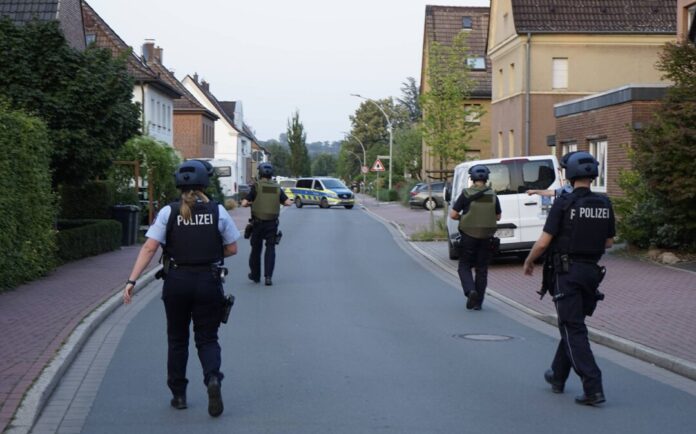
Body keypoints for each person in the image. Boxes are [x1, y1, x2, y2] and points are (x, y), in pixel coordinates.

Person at [122, 159, 241, 417]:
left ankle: (178, 395)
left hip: (176, 282)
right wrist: (209, 254)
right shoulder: (218, 211)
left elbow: (150, 247)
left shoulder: (168, 212)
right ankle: (213, 379)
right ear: (204, 183)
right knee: (207, 338)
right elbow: (232, 248)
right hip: (209, 281)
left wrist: (131, 281)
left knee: (177, 340)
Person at [523, 151, 615, 406]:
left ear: (570, 175)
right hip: (592, 274)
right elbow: (609, 241)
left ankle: (593, 386)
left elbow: (543, 242)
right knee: (572, 323)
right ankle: (557, 375)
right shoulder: (605, 203)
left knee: (573, 328)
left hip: (567, 273)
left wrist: (530, 260)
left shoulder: (564, 203)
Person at [449, 164, 502, 310]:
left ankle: (470, 290)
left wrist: (464, 218)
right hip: (486, 236)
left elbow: (453, 215)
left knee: (464, 265)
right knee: (482, 269)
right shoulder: (493, 194)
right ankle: (478, 303)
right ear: (487, 178)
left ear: (471, 178)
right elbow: (498, 216)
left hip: (468, 235)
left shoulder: (466, 194)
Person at [241, 162, 292, 286]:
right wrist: (280, 203)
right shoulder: (276, 188)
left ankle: (255, 275)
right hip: (272, 224)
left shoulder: (256, 186)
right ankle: (268, 277)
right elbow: (288, 202)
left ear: (260, 173)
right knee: (270, 249)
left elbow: (243, 203)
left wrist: (250, 203)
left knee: (256, 250)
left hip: (258, 223)